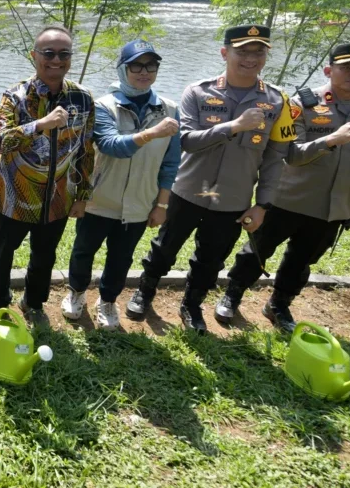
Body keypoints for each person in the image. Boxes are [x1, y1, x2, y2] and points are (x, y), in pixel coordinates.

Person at [217, 42, 350, 332]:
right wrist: (331, 140)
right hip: (286, 198)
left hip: (334, 206)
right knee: (257, 250)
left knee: (302, 260)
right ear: (330, 70)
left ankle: (279, 304)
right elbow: (291, 153)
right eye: (347, 68)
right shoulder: (301, 104)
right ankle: (233, 294)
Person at [126, 24, 297, 333]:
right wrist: (235, 125)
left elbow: (275, 158)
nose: (250, 58)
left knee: (211, 259)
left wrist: (263, 205)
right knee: (165, 247)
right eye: (242, 51)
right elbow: (187, 140)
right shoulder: (198, 91)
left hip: (233, 198)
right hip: (189, 190)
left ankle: (192, 305)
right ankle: (145, 290)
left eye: (258, 52)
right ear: (224, 53)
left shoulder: (277, 101)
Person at [62, 40, 180, 329]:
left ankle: (108, 301)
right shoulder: (103, 106)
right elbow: (112, 145)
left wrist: (162, 204)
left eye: (150, 65)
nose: (144, 72)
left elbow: (170, 164)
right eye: (136, 65)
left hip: (140, 204)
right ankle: (76, 293)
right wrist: (152, 132)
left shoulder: (170, 109)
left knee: (121, 258)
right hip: (99, 200)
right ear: (122, 68)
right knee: (83, 251)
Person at [0, 26, 96, 326]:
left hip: (58, 197)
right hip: (14, 195)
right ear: (34, 55)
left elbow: (86, 151)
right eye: (48, 53)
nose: (56, 60)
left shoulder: (83, 99)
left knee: (44, 256)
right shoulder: (15, 95)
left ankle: (34, 302)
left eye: (64, 54)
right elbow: (0, 142)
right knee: (3, 255)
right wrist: (40, 124)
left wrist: (83, 196)